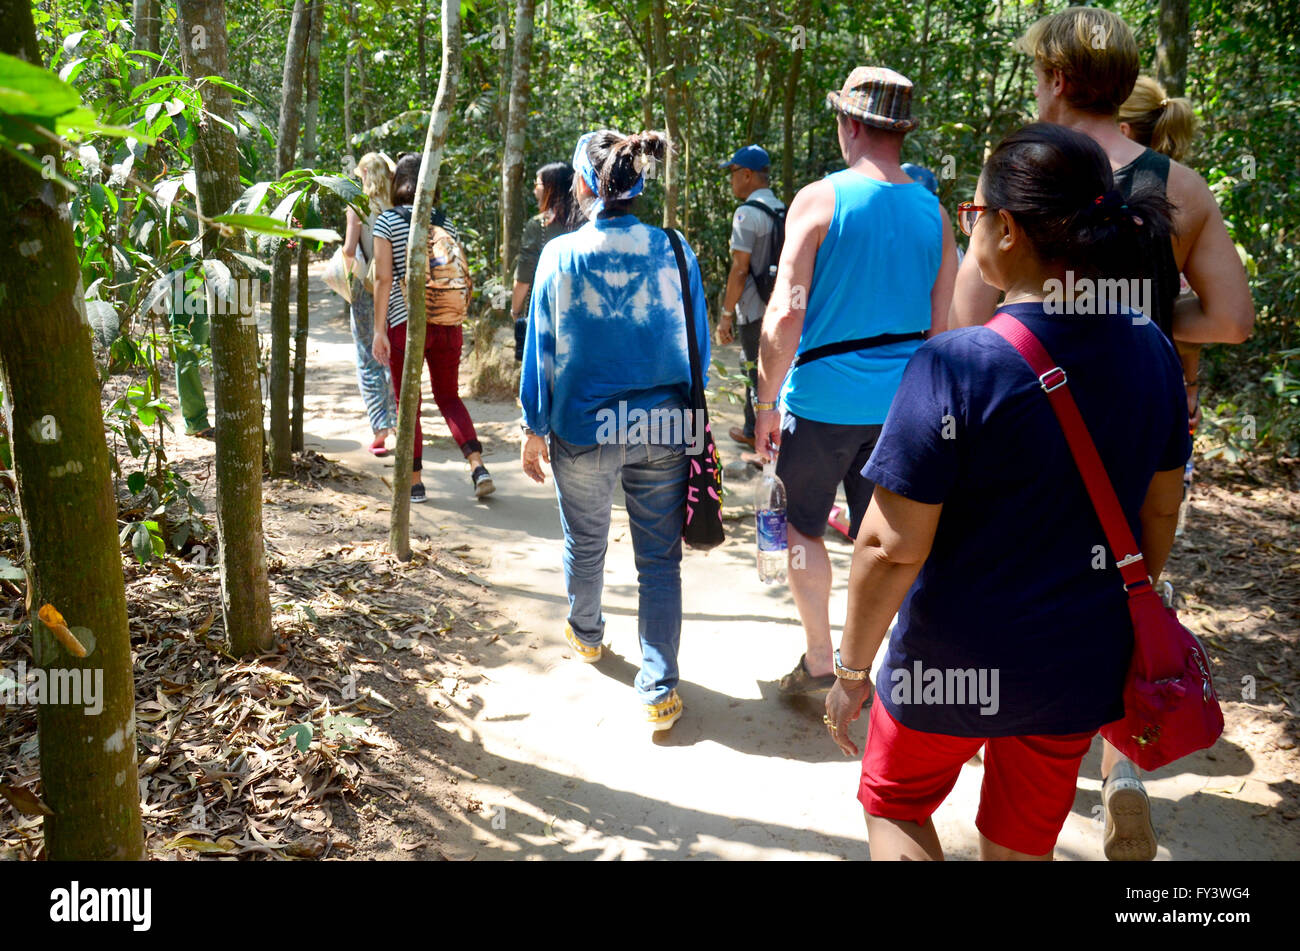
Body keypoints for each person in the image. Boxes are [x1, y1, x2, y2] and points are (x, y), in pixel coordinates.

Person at [823, 122, 1186, 861]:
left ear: (1009, 230)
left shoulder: (956, 363)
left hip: (949, 658)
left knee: (895, 804)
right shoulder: (1152, 348)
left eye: (974, 213)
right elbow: (1160, 506)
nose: (973, 225)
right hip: (1075, 666)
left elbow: (890, 548)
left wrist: (852, 672)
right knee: (1022, 842)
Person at [947, 6, 1255, 861]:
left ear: (1051, 76)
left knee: (1007, 575)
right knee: (1127, 581)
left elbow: (967, 322)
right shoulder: (1177, 186)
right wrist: (1145, 322)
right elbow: (1231, 318)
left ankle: (991, 739)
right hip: (1135, 423)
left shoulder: (1019, 169)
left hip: (1020, 416)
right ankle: (1120, 768)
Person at [752, 66, 957, 694]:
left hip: (820, 403)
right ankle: (877, 666)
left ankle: (820, 659)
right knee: (890, 542)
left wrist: (764, 401)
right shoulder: (936, 213)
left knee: (802, 528)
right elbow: (942, 329)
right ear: (901, 133)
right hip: (904, 410)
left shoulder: (819, 199)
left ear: (850, 125)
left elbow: (786, 310)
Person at [519, 129, 710, 733]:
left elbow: (541, 352)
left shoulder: (559, 255)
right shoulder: (677, 250)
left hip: (584, 427)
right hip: (663, 424)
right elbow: (698, 350)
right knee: (659, 560)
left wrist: (534, 424)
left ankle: (587, 633)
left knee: (587, 541)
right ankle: (658, 688)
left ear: (582, 184)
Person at [371, 153, 494, 503]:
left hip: (406, 324)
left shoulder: (387, 222)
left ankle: (415, 482)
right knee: (449, 397)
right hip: (446, 323)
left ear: (399, 183)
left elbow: (382, 279)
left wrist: (379, 330)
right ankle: (477, 465)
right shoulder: (445, 222)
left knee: (406, 402)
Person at [716, 144, 785, 450]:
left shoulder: (746, 213)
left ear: (747, 174)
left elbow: (740, 269)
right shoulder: (784, 208)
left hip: (755, 307)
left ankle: (757, 431)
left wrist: (726, 314)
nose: (731, 181)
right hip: (781, 303)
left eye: (732, 174)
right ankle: (756, 426)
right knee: (771, 366)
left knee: (752, 367)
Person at [342, 151, 398, 456]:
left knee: (367, 356)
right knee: (391, 352)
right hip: (394, 288)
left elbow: (350, 250)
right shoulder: (396, 207)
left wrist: (339, 267)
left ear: (362, 174)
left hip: (365, 287)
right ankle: (399, 422)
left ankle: (379, 428)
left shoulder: (357, 208)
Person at [511, 162, 584, 362]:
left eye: (538, 183)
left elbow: (524, 276)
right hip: (584, 310)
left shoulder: (539, 225)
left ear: (551, 187)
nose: (535, 188)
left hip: (546, 311)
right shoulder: (588, 221)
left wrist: (516, 311)